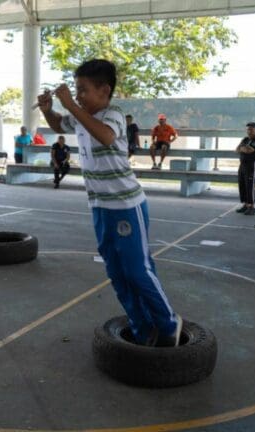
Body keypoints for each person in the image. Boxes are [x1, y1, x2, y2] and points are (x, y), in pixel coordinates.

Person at [37, 59, 182, 347]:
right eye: (75, 91)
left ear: (104, 90)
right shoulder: (81, 115)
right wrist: (48, 109)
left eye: (82, 90)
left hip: (127, 205)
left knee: (137, 270)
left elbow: (105, 136)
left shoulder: (112, 114)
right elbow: (58, 124)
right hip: (100, 207)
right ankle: (142, 327)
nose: (77, 97)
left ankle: (168, 322)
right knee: (116, 271)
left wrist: (72, 106)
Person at [236, 122, 255, 216]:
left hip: (251, 165)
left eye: (251, 129)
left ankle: (251, 207)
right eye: (248, 129)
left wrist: (243, 148)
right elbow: (237, 149)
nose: (249, 131)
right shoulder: (245, 139)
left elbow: (249, 150)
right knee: (242, 184)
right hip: (242, 165)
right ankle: (245, 204)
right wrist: (244, 148)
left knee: (250, 186)